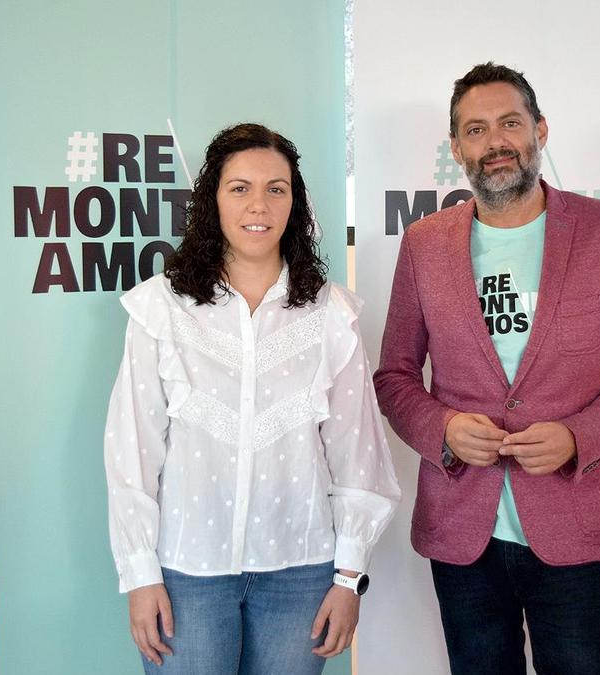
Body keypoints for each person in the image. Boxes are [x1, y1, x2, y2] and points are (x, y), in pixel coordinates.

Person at [373, 62, 600, 674]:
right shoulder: (424, 245)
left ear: (540, 130)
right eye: (476, 130)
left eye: (510, 123)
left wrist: (576, 437)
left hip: (573, 528)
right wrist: (444, 430)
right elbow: (395, 377)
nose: (496, 143)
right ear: (457, 148)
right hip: (463, 536)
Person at [104, 123, 400, 674]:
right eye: (239, 187)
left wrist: (349, 578)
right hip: (187, 572)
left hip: (303, 573)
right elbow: (132, 453)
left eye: (276, 188)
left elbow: (357, 454)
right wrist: (140, 572)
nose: (257, 204)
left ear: (296, 203)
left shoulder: (331, 315)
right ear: (212, 199)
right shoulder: (160, 310)